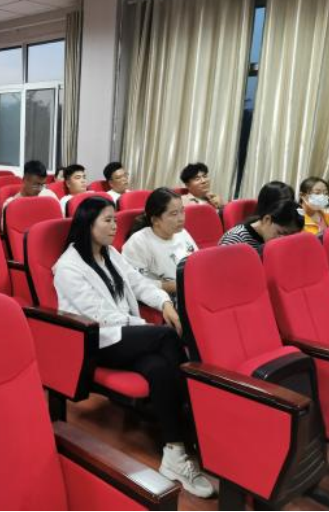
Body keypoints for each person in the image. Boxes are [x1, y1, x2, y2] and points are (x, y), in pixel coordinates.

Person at [53, 197, 214, 498]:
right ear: (87, 224)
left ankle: (175, 451)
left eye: (115, 219)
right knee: (166, 337)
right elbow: (99, 315)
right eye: (107, 220)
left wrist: (164, 303)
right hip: (98, 341)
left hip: (125, 336)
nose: (115, 226)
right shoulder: (68, 267)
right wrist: (143, 327)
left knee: (158, 368)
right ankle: (196, 421)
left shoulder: (110, 253)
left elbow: (139, 284)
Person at [123, 188, 198, 296]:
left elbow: (196, 262)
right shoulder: (138, 242)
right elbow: (133, 283)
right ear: (155, 220)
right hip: (163, 298)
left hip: (190, 290)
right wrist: (169, 286)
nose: (181, 218)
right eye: (174, 214)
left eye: (182, 211)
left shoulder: (182, 233)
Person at [219, 200, 304, 251]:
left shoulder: (268, 236)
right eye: (281, 233)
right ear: (267, 219)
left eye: (290, 236)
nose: (284, 240)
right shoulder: (236, 239)